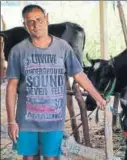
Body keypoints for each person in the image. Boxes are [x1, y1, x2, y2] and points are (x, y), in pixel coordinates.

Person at [5, 4, 106, 160]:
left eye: (39, 19)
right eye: (30, 21)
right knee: (28, 158)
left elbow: (79, 75)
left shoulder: (63, 47)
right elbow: (11, 88)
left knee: (51, 157)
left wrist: (97, 96)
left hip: (54, 119)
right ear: (25, 25)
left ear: (47, 19)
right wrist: (11, 121)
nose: (35, 25)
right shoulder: (17, 51)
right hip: (26, 120)